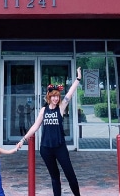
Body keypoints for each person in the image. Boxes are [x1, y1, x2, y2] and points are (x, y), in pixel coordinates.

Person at [18, 67, 83, 196]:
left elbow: (70, 93)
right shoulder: (43, 110)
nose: (55, 99)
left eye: (57, 96)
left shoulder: (61, 107)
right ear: (49, 97)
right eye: (53, 96)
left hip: (60, 147)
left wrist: (78, 78)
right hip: (46, 149)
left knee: (70, 175)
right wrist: (23, 139)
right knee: (55, 177)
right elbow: (35, 126)